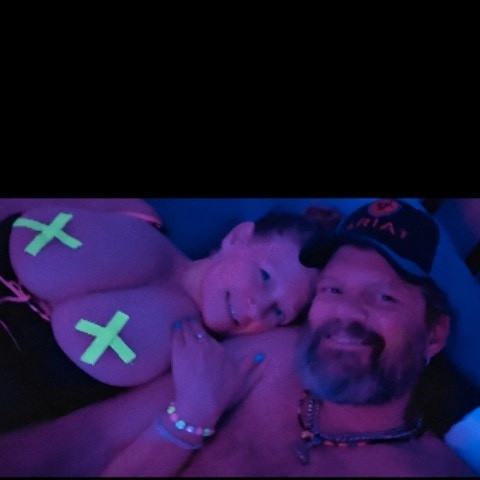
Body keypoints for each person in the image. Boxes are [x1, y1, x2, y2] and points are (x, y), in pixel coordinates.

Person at [0, 199, 476, 476]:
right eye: (332, 290)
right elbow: (84, 440)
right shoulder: (265, 359)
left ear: (435, 333)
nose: (347, 312)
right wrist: (186, 421)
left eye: (385, 297)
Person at [0, 198, 338, 433]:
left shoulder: (187, 376)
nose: (256, 308)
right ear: (238, 238)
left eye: (278, 312)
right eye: (264, 277)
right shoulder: (133, 213)